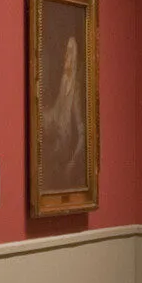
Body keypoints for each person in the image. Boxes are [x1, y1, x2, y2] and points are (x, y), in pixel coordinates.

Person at [38, 33, 88, 192]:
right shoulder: (63, 83)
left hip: (67, 157)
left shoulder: (76, 90)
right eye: (65, 52)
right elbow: (55, 116)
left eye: (69, 52)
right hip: (57, 150)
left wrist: (72, 163)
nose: (65, 56)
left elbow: (82, 133)